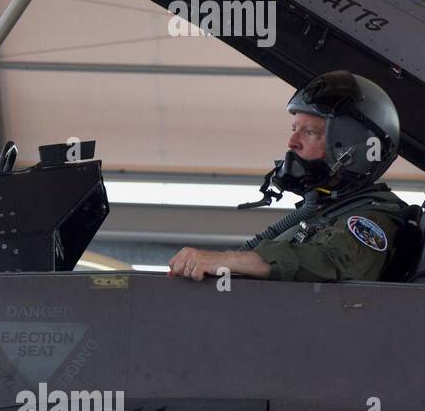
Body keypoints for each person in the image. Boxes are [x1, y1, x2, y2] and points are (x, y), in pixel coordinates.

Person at [168, 70, 412, 282]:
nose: (292, 142)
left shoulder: (376, 217)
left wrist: (228, 260)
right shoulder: (323, 213)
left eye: (309, 132)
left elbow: (330, 261)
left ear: (349, 150)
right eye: (295, 129)